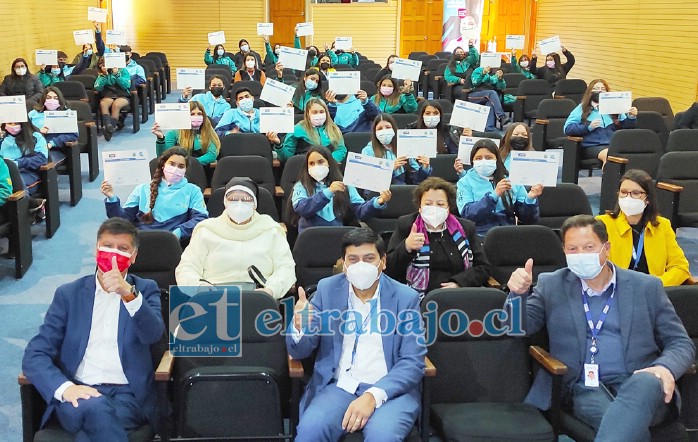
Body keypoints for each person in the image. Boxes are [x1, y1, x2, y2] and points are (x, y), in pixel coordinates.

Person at [506, 214, 695, 440]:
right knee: (625, 426)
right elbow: (516, 328)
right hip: (584, 386)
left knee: (645, 383)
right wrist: (517, 295)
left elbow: (680, 342)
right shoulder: (552, 284)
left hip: (639, 381)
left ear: (606, 248)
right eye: (572, 249)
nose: (580, 255)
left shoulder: (646, 286)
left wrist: (665, 367)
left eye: (588, 247)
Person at [22, 218, 165, 441]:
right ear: (96, 250)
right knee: (95, 409)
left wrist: (128, 294)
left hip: (127, 394)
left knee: (93, 425)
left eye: (123, 248)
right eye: (107, 246)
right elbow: (35, 354)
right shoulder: (68, 294)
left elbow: (153, 334)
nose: (114, 253)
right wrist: (65, 389)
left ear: (134, 257)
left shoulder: (145, 290)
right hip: (78, 392)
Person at [288, 228, 426, 441]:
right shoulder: (327, 290)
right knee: (310, 431)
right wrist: (300, 327)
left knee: (383, 437)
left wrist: (373, 395)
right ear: (344, 264)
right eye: (353, 259)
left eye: (369, 259)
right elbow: (299, 350)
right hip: (339, 386)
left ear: (383, 262)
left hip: (389, 390)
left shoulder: (405, 298)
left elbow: (413, 361)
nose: (360, 265)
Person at [175, 177, 295, 298]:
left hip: (260, 298)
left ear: (254, 204)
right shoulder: (206, 230)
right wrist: (200, 288)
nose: (239, 204)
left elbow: (286, 268)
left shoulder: (271, 230)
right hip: (212, 297)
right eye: (232, 199)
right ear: (225, 202)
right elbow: (186, 268)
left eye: (246, 199)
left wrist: (271, 290)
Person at [386, 177, 491, 298]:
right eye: (428, 204)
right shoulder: (407, 225)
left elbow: (483, 267)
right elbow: (389, 269)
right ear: (420, 207)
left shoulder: (466, 228)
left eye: (440, 204)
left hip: (458, 295)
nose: (434, 208)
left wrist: (459, 283)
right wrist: (406, 248)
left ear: (448, 208)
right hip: (415, 298)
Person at [597, 169, 691, 286]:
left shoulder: (662, 225)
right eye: (624, 192)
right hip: (617, 292)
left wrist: (657, 284)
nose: (628, 197)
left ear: (647, 199)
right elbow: (596, 267)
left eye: (635, 193)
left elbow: (680, 267)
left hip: (652, 293)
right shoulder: (602, 223)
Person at [101, 147, 207, 241]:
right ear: (163, 165)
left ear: (185, 169)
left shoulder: (193, 190)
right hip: (142, 241)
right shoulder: (142, 189)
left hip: (174, 243)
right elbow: (122, 220)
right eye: (172, 164)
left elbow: (200, 218)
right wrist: (111, 198)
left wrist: (179, 232)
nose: (175, 169)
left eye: (181, 166)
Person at [288, 145, 391, 233]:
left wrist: (378, 201)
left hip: (339, 237)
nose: (316, 166)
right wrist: (328, 192)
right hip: (311, 238)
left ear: (329, 163)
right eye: (311, 164)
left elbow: (359, 211)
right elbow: (303, 209)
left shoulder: (344, 184)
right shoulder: (301, 186)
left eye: (320, 162)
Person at [456, 139, 541, 237]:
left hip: (508, 234)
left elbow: (528, 219)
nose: (483, 161)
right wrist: (493, 196)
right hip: (479, 236)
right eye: (478, 158)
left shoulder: (511, 179)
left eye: (488, 157)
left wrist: (530, 199)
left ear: (496, 159)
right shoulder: (464, 182)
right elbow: (467, 214)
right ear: (472, 161)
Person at [563, 79, 638, 165]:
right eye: (596, 88)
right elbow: (568, 129)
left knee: (629, 155)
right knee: (609, 156)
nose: (600, 91)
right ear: (590, 91)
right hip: (591, 146)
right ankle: (609, 177)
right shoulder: (582, 108)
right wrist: (588, 127)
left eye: (603, 89)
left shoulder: (614, 108)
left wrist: (631, 117)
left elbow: (626, 128)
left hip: (612, 144)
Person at [361, 113, 431, 185]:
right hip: (381, 192)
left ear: (393, 129)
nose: (384, 131)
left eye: (388, 127)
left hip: (404, 190)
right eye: (380, 129)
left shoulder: (404, 146)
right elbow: (367, 180)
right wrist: (391, 169)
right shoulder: (368, 151)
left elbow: (416, 180)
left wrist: (425, 167)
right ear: (375, 132)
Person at [276, 98, 347, 163]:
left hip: (329, 166)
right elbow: (287, 157)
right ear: (307, 114)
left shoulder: (333, 128)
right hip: (304, 167)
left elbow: (341, 149)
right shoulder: (297, 129)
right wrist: (278, 145)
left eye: (321, 112)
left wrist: (327, 161)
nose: (319, 115)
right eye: (315, 112)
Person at [153, 101, 220, 166]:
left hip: (200, 169)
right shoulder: (174, 133)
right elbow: (163, 156)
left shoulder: (209, 132)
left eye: (199, 114)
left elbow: (212, 155)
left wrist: (189, 163)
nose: (196, 117)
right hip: (177, 168)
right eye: (192, 114)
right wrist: (160, 138)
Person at [28, 87, 79, 164]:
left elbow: (73, 134)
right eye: (48, 98)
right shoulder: (33, 114)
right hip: (32, 147)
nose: (52, 100)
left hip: (53, 149)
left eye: (55, 98)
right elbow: (25, 130)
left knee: (41, 161)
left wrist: (52, 143)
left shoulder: (66, 113)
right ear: (44, 99)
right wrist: (38, 131)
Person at [0, 121, 48, 196]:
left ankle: (26, 203)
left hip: (26, 173)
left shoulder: (36, 137)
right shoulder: (3, 139)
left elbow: (41, 159)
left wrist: (18, 163)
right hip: (4, 173)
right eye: (9, 123)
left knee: (12, 185)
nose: (13, 126)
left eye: (16, 124)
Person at [94, 57, 131, 141]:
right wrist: (104, 75)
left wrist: (117, 75)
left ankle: (110, 128)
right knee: (103, 103)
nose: (103, 67)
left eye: (104, 65)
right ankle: (108, 126)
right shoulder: (101, 74)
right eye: (101, 66)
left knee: (116, 104)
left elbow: (126, 85)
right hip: (108, 95)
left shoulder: (123, 71)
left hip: (122, 95)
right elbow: (97, 87)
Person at [468, 63, 510, 129]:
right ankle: (501, 116)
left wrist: (500, 79)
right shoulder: (477, 70)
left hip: (489, 96)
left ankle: (489, 128)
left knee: (490, 102)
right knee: (491, 93)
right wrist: (483, 73)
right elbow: (475, 82)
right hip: (475, 95)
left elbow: (501, 88)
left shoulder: (496, 73)